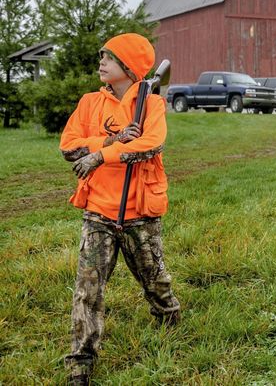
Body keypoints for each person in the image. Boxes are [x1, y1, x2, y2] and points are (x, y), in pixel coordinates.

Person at [59, 33, 180, 384]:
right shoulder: (89, 103)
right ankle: (80, 362)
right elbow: (68, 148)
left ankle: (168, 316)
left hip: (139, 212)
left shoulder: (151, 104)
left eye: (108, 58)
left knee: (154, 279)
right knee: (88, 290)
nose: (101, 63)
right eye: (101, 56)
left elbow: (150, 144)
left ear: (128, 67)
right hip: (99, 210)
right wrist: (110, 140)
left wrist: (100, 155)